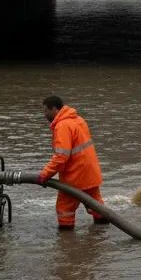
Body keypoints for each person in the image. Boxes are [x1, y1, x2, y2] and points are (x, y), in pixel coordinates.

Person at [37, 96, 107, 230]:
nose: (44, 114)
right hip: (90, 173)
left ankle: (66, 243)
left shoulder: (62, 126)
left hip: (74, 177)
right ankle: (101, 239)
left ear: (54, 109)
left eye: (45, 111)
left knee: (64, 210)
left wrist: (44, 175)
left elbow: (61, 157)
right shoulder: (78, 120)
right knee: (97, 208)